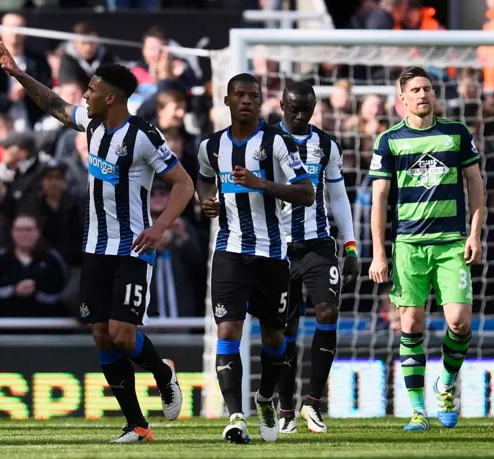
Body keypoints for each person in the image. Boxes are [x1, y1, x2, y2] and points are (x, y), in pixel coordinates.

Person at [0, 41, 194, 443]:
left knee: (121, 334)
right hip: (95, 248)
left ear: (112, 97)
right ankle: (137, 424)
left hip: (132, 249)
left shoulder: (143, 137)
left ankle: (162, 371)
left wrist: (160, 226)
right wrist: (16, 72)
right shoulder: (93, 123)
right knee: (100, 334)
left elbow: (184, 184)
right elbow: (54, 105)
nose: (85, 94)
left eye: (92, 88)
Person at [196, 73, 315, 443]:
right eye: (240, 95)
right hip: (230, 251)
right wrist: (206, 200)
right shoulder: (211, 146)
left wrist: (261, 184)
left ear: (262, 101)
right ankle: (235, 416)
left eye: (253, 95)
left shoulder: (277, 142)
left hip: (272, 254)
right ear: (228, 100)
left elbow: (307, 192)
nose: (246, 101)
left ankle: (265, 397)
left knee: (275, 337)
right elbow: (202, 177)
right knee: (228, 330)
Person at [369, 67, 484, 432]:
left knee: (459, 323)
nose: (423, 94)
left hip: (451, 243)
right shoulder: (389, 141)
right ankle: (418, 411)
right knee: (412, 323)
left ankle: (446, 385)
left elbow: (476, 184)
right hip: (409, 245)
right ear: (402, 98)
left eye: (428, 89)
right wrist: (378, 253)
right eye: (415, 90)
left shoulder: (456, 134)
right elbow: (379, 201)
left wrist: (475, 233)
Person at [275, 81, 359, 434]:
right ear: (281, 105)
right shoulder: (265, 142)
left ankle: (313, 403)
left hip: (318, 244)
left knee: (327, 310)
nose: (299, 116)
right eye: (293, 109)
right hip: (276, 247)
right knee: (284, 328)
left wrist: (351, 245)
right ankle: (285, 409)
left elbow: (337, 197)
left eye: (306, 110)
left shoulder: (325, 145)